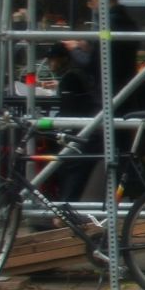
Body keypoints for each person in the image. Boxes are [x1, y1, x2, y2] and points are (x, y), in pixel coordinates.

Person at [43, 43, 101, 207]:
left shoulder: (70, 78)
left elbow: (71, 107)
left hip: (78, 130)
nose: (50, 65)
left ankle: (60, 201)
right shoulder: (75, 75)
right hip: (85, 128)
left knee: (63, 162)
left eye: (52, 61)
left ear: (63, 59)